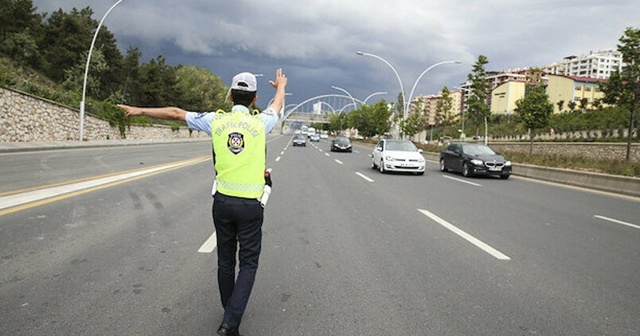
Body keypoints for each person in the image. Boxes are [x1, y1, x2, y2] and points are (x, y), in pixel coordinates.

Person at [119, 68, 287, 336]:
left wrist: (138, 110)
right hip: (250, 207)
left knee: (225, 261)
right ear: (255, 99)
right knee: (249, 263)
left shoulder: (215, 121)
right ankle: (230, 321)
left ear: (230, 96)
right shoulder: (261, 123)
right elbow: (277, 105)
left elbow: (175, 113)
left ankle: (229, 313)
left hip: (222, 203)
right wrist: (280, 86)